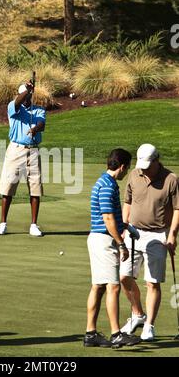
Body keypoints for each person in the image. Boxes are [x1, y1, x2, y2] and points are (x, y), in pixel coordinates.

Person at [120, 144, 179, 341]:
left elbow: (178, 209)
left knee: (152, 282)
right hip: (133, 233)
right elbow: (127, 202)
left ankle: (149, 326)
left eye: (147, 165)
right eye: (141, 165)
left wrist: (172, 235)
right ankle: (138, 314)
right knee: (124, 277)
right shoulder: (134, 175)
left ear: (157, 160)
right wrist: (123, 226)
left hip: (158, 235)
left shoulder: (171, 179)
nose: (143, 169)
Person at [84, 148, 140, 348]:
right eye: (127, 168)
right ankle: (116, 334)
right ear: (123, 166)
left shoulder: (105, 182)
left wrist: (126, 226)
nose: (126, 173)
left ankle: (91, 334)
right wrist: (121, 243)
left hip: (99, 239)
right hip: (104, 241)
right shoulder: (108, 185)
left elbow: (111, 217)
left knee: (98, 287)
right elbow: (107, 219)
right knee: (113, 286)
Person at [0, 81, 46, 237]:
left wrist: (35, 129)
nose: (26, 97)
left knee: (35, 189)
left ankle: (33, 225)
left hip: (33, 150)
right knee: (7, 189)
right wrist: (26, 91)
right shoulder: (13, 107)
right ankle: (3, 223)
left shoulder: (39, 109)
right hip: (15, 150)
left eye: (29, 94)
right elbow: (18, 101)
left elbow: (41, 124)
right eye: (24, 94)